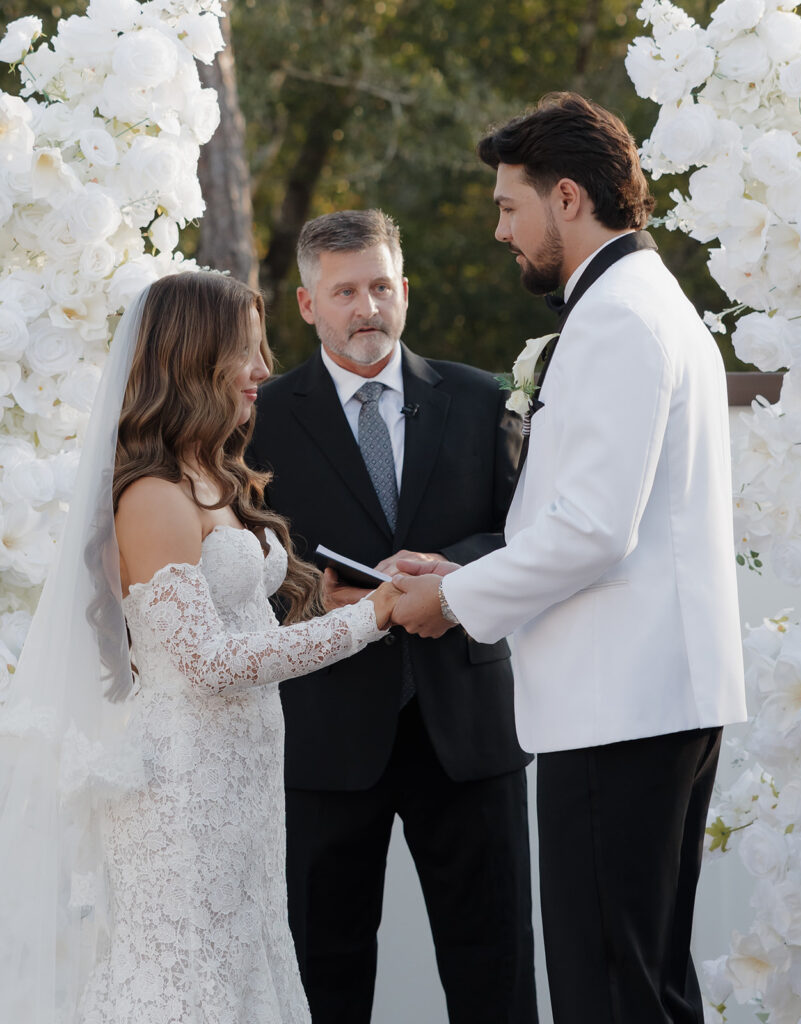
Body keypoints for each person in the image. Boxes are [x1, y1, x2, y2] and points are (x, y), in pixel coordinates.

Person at [390, 93, 747, 1024]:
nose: (499, 229)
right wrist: (464, 570)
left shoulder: (617, 318)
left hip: (617, 702)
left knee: (607, 991)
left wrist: (457, 599)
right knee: (650, 984)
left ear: (566, 197)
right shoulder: (650, 303)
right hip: (651, 694)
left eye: (509, 206)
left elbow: (593, 529)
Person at [0, 271, 401, 1024]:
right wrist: (367, 622)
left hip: (239, 776)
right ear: (193, 358)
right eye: (245, 352)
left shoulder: (209, 475)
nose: (261, 371)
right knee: (185, 978)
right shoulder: (153, 494)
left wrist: (342, 600)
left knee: (244, 961)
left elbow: (240, 625)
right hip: (181, 786)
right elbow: (207, 664)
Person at [246, 209, 538, 1024]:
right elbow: (235, 556)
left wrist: (457, 576)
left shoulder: (485, 401)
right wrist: (310, 597)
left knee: (496, 965)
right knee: (322, 971)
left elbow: (527, 534)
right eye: (344, 292)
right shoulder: (259, 418)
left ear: (404, 290)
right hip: (324, 734)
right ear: (307, 305)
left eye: (380, 286)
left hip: (468, 727)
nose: (365, 307)